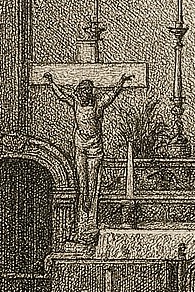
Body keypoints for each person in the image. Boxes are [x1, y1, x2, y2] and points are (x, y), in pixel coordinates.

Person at [43, 72, 134, 232]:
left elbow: (113, 94)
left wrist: (121, 81)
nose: (85, 95)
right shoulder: (76, 102)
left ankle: (90, 206)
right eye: (83, 92)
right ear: (79, 92)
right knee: (81, 178)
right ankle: (84, 201)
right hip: (80, 145)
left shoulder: (98, 105)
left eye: (88, 91)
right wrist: (51, 83)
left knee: (92, 178)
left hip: (95, 147)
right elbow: (61, 95)